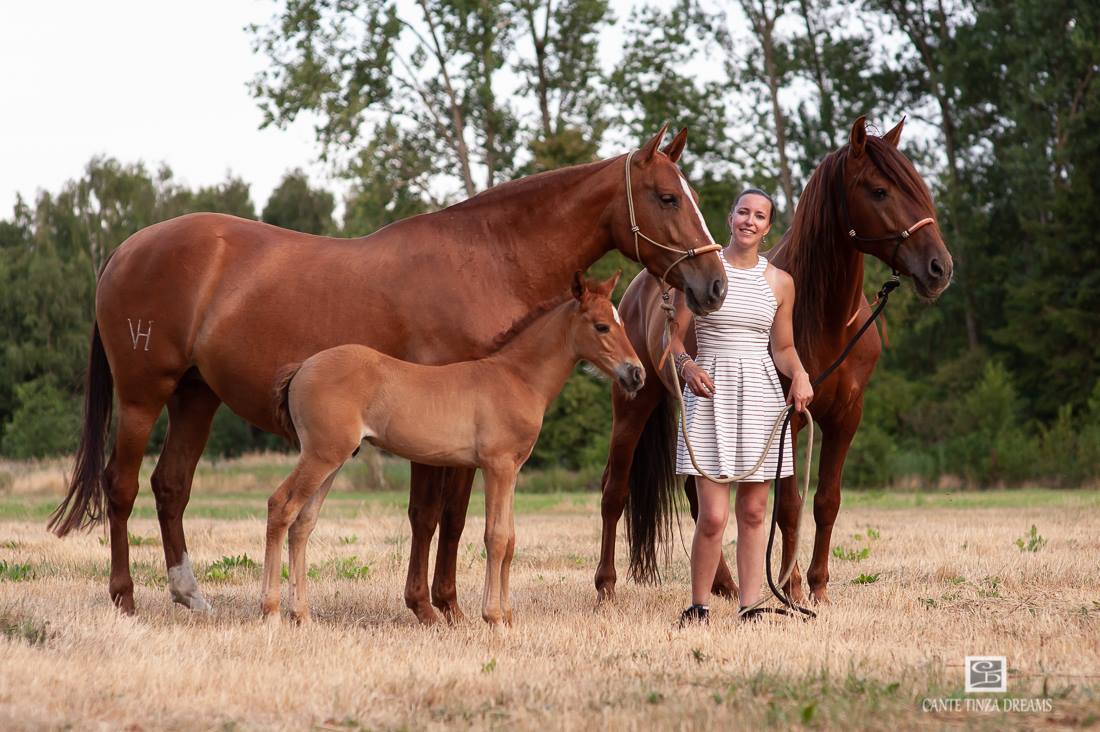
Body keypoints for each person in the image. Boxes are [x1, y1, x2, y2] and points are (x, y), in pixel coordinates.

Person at [669, 188, 813, 625]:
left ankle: (749, 606)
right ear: (730, 217)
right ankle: (698, 606)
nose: (750, 221)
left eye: (760, 216)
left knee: (753, 512)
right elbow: (672, 341)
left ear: (768, 227)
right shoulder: (702, 271)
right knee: (712, 516)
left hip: (760, 397)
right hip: (709, 395)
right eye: (743, 212)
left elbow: (782, 348)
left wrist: (800, 374)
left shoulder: (780, 282)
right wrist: (688, 366)